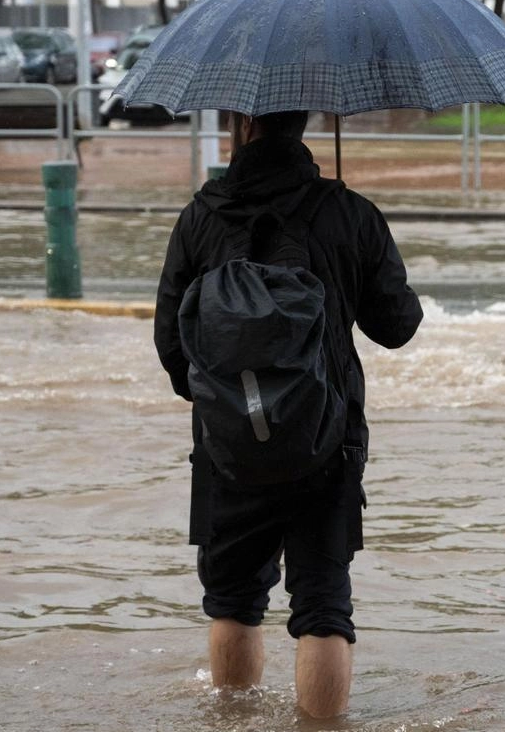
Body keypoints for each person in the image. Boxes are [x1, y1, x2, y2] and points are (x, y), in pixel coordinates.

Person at [154, 110, 422, 718]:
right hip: (327, 441)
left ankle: (232, 722)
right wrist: (354, 241)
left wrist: (231, 406)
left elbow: (172, 346)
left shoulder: (200, 217)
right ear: (307, 118)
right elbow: (398, 327)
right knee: (324, 605)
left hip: (226, 447)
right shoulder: (349, 212)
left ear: (241, 121)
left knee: (231, 600)